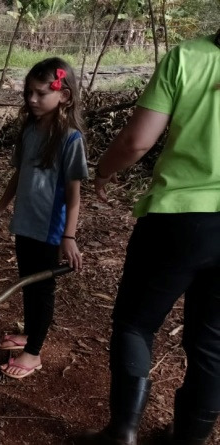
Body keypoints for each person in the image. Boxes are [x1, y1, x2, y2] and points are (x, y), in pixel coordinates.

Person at [77, 30, 220, 445]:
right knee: (212, 339)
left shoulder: (189, 57)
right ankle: (191, 437)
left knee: (136, 324)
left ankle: (122, 432)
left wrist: (103, 171)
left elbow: (137, 140)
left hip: (179, 221)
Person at [0, 57, 86, 379]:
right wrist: (1, 208)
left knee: (41, 289)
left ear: (64, 96)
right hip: (25, 222)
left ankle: (33, 353)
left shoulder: (70, 139)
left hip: (49, 228)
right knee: (27, 282)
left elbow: (73, 195)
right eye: (28, 92)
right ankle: (30, 334)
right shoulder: (29, 130)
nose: (31, 99)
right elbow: (20, 175)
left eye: (41, 93)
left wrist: (68, 238)